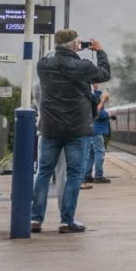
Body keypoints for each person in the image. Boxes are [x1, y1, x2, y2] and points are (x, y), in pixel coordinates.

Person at [30, 29, 111, 234]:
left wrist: (62, 47)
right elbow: (104, 74)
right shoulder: (83, 66)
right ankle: (67, 220)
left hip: (50, 128)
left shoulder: (43, 66)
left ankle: (35, 219)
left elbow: (55, 58)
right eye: (77, 43)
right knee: (74, 174)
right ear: (75, 45)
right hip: (77, 129)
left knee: (43, 173)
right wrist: (99, 51)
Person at [84, 83, 111, 184]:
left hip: (91, 129)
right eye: (96, 83)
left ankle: (87, 175)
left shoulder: (91, 95)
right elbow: (97, 112)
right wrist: (106, 113)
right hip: (97, 130)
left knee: (91, 154)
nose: (98, 84)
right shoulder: (95, 95)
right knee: (100, 152)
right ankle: (98, 176)